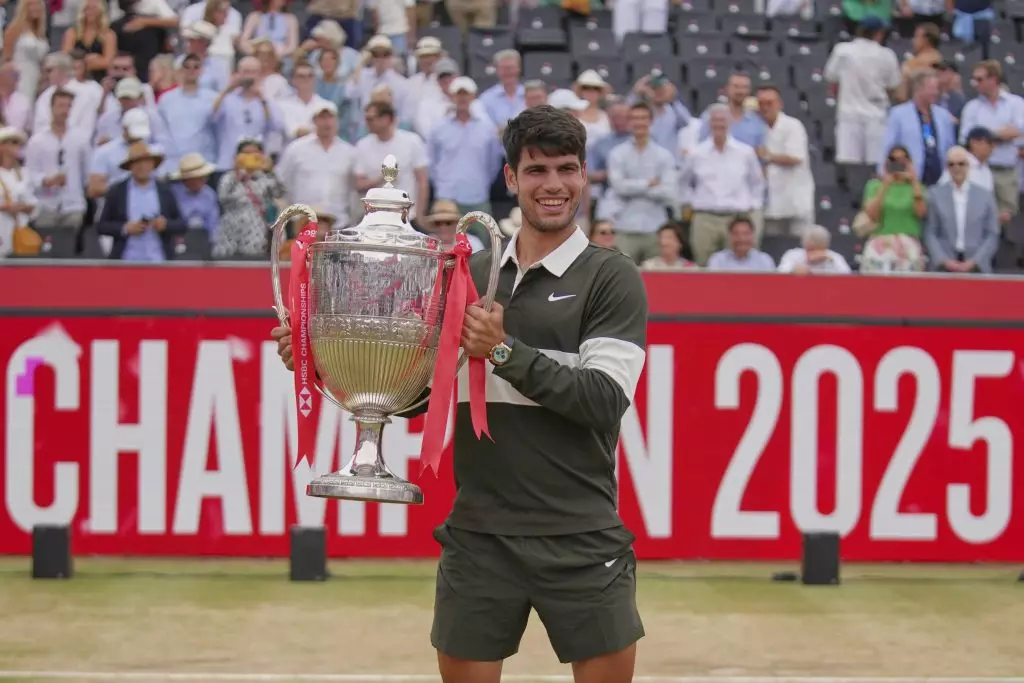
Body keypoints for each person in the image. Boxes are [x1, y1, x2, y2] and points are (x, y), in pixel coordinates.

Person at [271, 105, 648, 682]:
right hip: (478, 535)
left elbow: (603, 401)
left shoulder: (611, 276)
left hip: (580, 533)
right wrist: (323, 364)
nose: (553, 184)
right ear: (511, 177)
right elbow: (421, 394)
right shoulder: (465, 272)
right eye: (537, 170)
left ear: (583, 175)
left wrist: (504, 351)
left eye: (567, 169)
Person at [924, 146, 1000, 273]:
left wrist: (975, 261)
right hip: (944, 266)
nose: (956, 168)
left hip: (976, 266)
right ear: (947, 168)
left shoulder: (985, 196)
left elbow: (992, 233)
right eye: (951, 164)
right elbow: (930, 232)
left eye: (961, 163)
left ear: (968, 165)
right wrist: (944, 260)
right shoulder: (935, 194)